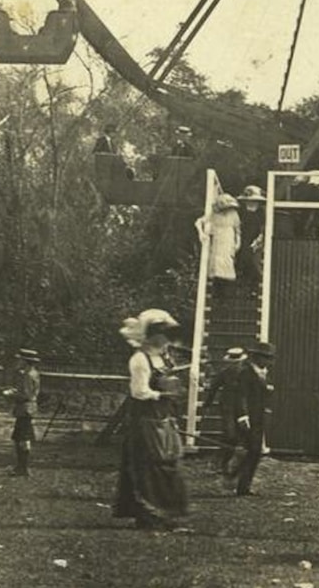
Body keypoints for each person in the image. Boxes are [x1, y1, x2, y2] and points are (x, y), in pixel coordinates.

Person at [114, 309, 188, 531]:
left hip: (163, 417)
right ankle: (150, 514)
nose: (167, 339)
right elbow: (139, 392)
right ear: (151, 336)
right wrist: (161, 394)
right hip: (145, 418)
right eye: (162, 334)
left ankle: (167, 512)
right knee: (149, 466)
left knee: (169, 462)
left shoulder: (164, 357)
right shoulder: (140, 359)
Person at [234, 341, 275, 497]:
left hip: (259, 417)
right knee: (251, 451)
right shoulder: (246, 372)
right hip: (249, 417)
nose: (269, 361)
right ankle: (241, 484)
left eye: (270, 358)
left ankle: (244, 485)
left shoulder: (263, 373)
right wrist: (243, 415)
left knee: (255, 452)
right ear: (257, 357)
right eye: (266, 358)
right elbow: (241, 395)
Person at [201, 347, 248, 476]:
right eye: (232, 363)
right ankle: (220, 462)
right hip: (228, 407)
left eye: (237, 363)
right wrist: (207, 403)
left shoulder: (247, 374)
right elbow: (213, 388)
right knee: (230, 435)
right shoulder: (224, 373)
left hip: (244, 408)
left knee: (241, 437)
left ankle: (226, 463)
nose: (235, 365)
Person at [3, 348, 40, 477]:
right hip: (26, 409)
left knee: (23, 438)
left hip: (25, 409)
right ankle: (20, 466)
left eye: (19, 359)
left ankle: (23, 468)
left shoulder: (28, 375)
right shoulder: (32, 373)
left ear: (25, 361)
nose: (17, 361)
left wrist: (11, 394)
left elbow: (26, 395)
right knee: (20, 438)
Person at [195, 192, 241, 288]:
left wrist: (238, 242)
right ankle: (218, 288)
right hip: (219, 240)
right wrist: (201, 234)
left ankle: (227, 288)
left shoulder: (234, 214)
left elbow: (238, 230)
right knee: (217, 264)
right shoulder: (214, 215)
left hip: (229, 240)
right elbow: (198, 222)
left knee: (228, 263)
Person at [236, 186, 266, 294]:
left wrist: (259, 241)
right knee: (241, 259)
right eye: (248, 201)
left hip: (256, 240)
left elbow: (263, 229)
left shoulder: (261, 213)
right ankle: (243, 284)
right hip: (243, 238)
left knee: (253, 262)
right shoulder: (241, 212)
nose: (251, 203)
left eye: (253, 201)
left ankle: (253, 287)